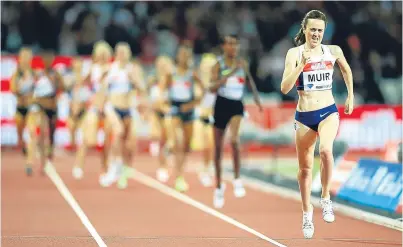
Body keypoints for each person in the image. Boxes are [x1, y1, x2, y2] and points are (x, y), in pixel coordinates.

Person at [280, 10, 354, 239]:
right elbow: (284, 88)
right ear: (304, 29)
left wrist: (350, 95)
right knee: (304, 170)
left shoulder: (333, 51)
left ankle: (325, 198)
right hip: (304, 117)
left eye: (320, 30)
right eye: (312, 29)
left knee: (326, 150)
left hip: (328, 111)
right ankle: (306, 213)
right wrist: (300, 65)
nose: (316, 34)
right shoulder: (294, 53)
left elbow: (346, 69)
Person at [209, 34, 263, 208]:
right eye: (230, 44)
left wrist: (256, 99)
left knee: (234, 139)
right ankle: (218, 186)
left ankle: (237, 178)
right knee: (217, 149)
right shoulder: (218, 64)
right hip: (221, 104)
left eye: (235, 44)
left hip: (237, 105)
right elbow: (211, 86)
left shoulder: (243, 63)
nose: (233, 47)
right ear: (224, 46)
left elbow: (250, 82)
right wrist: (230, 73)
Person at [101, 42, 145, 189]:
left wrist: (134, 79)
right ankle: (113, 167)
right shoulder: (110, 69)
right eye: (120, 52)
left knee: (129, 143)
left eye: (125, 53)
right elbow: (102, 88)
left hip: (128, 109)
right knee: (118, 132)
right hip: (113, 107)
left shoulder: (133, 69)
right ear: (116, 54)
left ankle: (124, 172)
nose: (122, 55)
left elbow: (142, 88)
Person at [162, 45, 204, 192]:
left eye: (187, 55)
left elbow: (204, 90)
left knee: (186, 145)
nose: (184, 58)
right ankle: (179, 176)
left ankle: (180, 171)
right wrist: (165, 104)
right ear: (178, 56)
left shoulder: (192, 73)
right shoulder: (171, 73)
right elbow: (163, 89)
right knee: (178, 143)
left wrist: (194, 103)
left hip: (188, 109)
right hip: (175, 109)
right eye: (182, 55)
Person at [75, 40, 112, 181]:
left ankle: (105, 168)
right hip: (95, 106)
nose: (102, 57)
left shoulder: (111, 68)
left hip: (108, 106)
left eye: (104, 54)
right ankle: (79, 165)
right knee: (87, 138)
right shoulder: (93, 68)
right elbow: (81, 83)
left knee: (107, 140)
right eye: (100, 54)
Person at [26, 50, 65, 174]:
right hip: (39, 107)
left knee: (49, 135)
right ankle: (30, 162)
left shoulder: (55, 74)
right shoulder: (38, 74)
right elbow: (29, 88)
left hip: (51, 107)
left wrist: (54, 80)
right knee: (38, 133)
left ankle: (45, 160)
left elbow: (61, 88)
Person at [148, 55, 175, 183]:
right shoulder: (154, 81)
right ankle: (162, 166)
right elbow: (154, 102)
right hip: (157, 114)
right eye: (161, 66)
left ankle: (166, 158)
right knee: (160, 138)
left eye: (166, 65)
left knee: (170, 142)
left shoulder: (172, 81)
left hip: (169, 114)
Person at [10, 47, 34, 175]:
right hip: (20, 108)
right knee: (20, 135)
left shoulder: (33, 73)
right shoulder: (17, 73)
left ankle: (29, 162)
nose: (25, 60)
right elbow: (13, 89)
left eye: (27, 58)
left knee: (31, 132)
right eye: (23, 57)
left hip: (30, 108)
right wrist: (21, 88)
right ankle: (23, 145)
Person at [196, 53, 218, 187]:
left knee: (215, 147)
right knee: (208, 145)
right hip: (204, 117)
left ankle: (209, 168)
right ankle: (205, 169)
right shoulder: (200, 82)